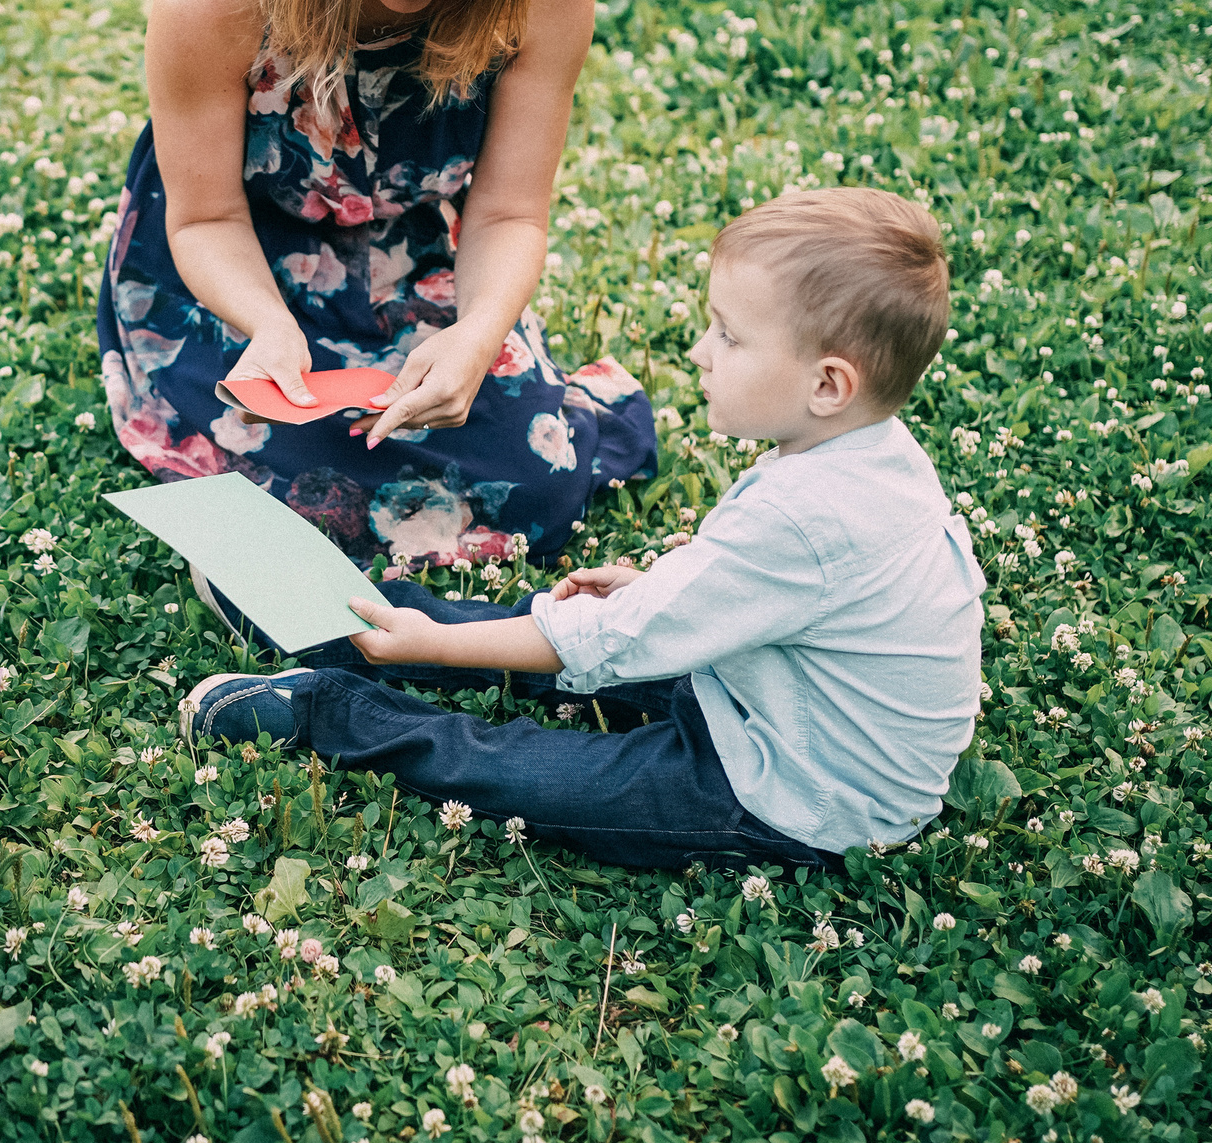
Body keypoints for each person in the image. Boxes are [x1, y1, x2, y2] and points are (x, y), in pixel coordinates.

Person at [178, 188, 985, 870]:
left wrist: (441, 645)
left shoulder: (805, 514)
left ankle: (330, 712)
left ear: (829, 384)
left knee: (524, 766)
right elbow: (779, 598)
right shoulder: (872, 453)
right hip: (767, 694)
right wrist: (664, 591)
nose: (699, 351)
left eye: (730, 336)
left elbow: (616, 638)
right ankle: (324, 611)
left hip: (798, 794)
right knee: (542, 621)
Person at [96, 0, 655, 567]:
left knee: (539, 481)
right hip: (235, 263)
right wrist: (267, 327)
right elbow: (204, 216)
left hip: (414, 255)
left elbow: (509, 213)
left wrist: (477, 334)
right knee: (276, 476)